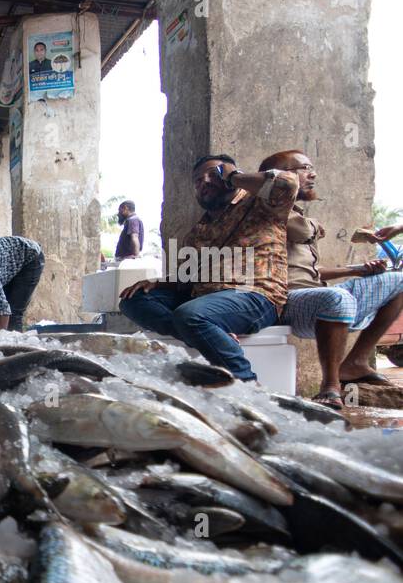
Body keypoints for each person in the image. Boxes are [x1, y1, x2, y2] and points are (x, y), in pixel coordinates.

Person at [119, 154, 299, 382]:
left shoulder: (260, 204)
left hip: (254, 297)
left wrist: (232, 176)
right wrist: (159, 283)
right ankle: (213, 332)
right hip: (206, 300)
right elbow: (190, 278)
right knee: (134, 301)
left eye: (213, 174)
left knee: (191, 315)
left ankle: (245, 385)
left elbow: (286, 184)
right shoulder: (198, 232)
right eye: (197, 180)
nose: (204, 181)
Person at [260, 149, 403, 408]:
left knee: (400, 281)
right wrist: (314, 226)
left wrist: (357, 269)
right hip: (284, 300)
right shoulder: (268, 209)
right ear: (280, 178)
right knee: (337, 297)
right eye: (303, 168)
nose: (312, 174)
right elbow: (302, 230)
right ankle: (330, 386)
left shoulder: (296, 212)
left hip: (315, 295)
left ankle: (356, 362)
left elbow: (310, 273)